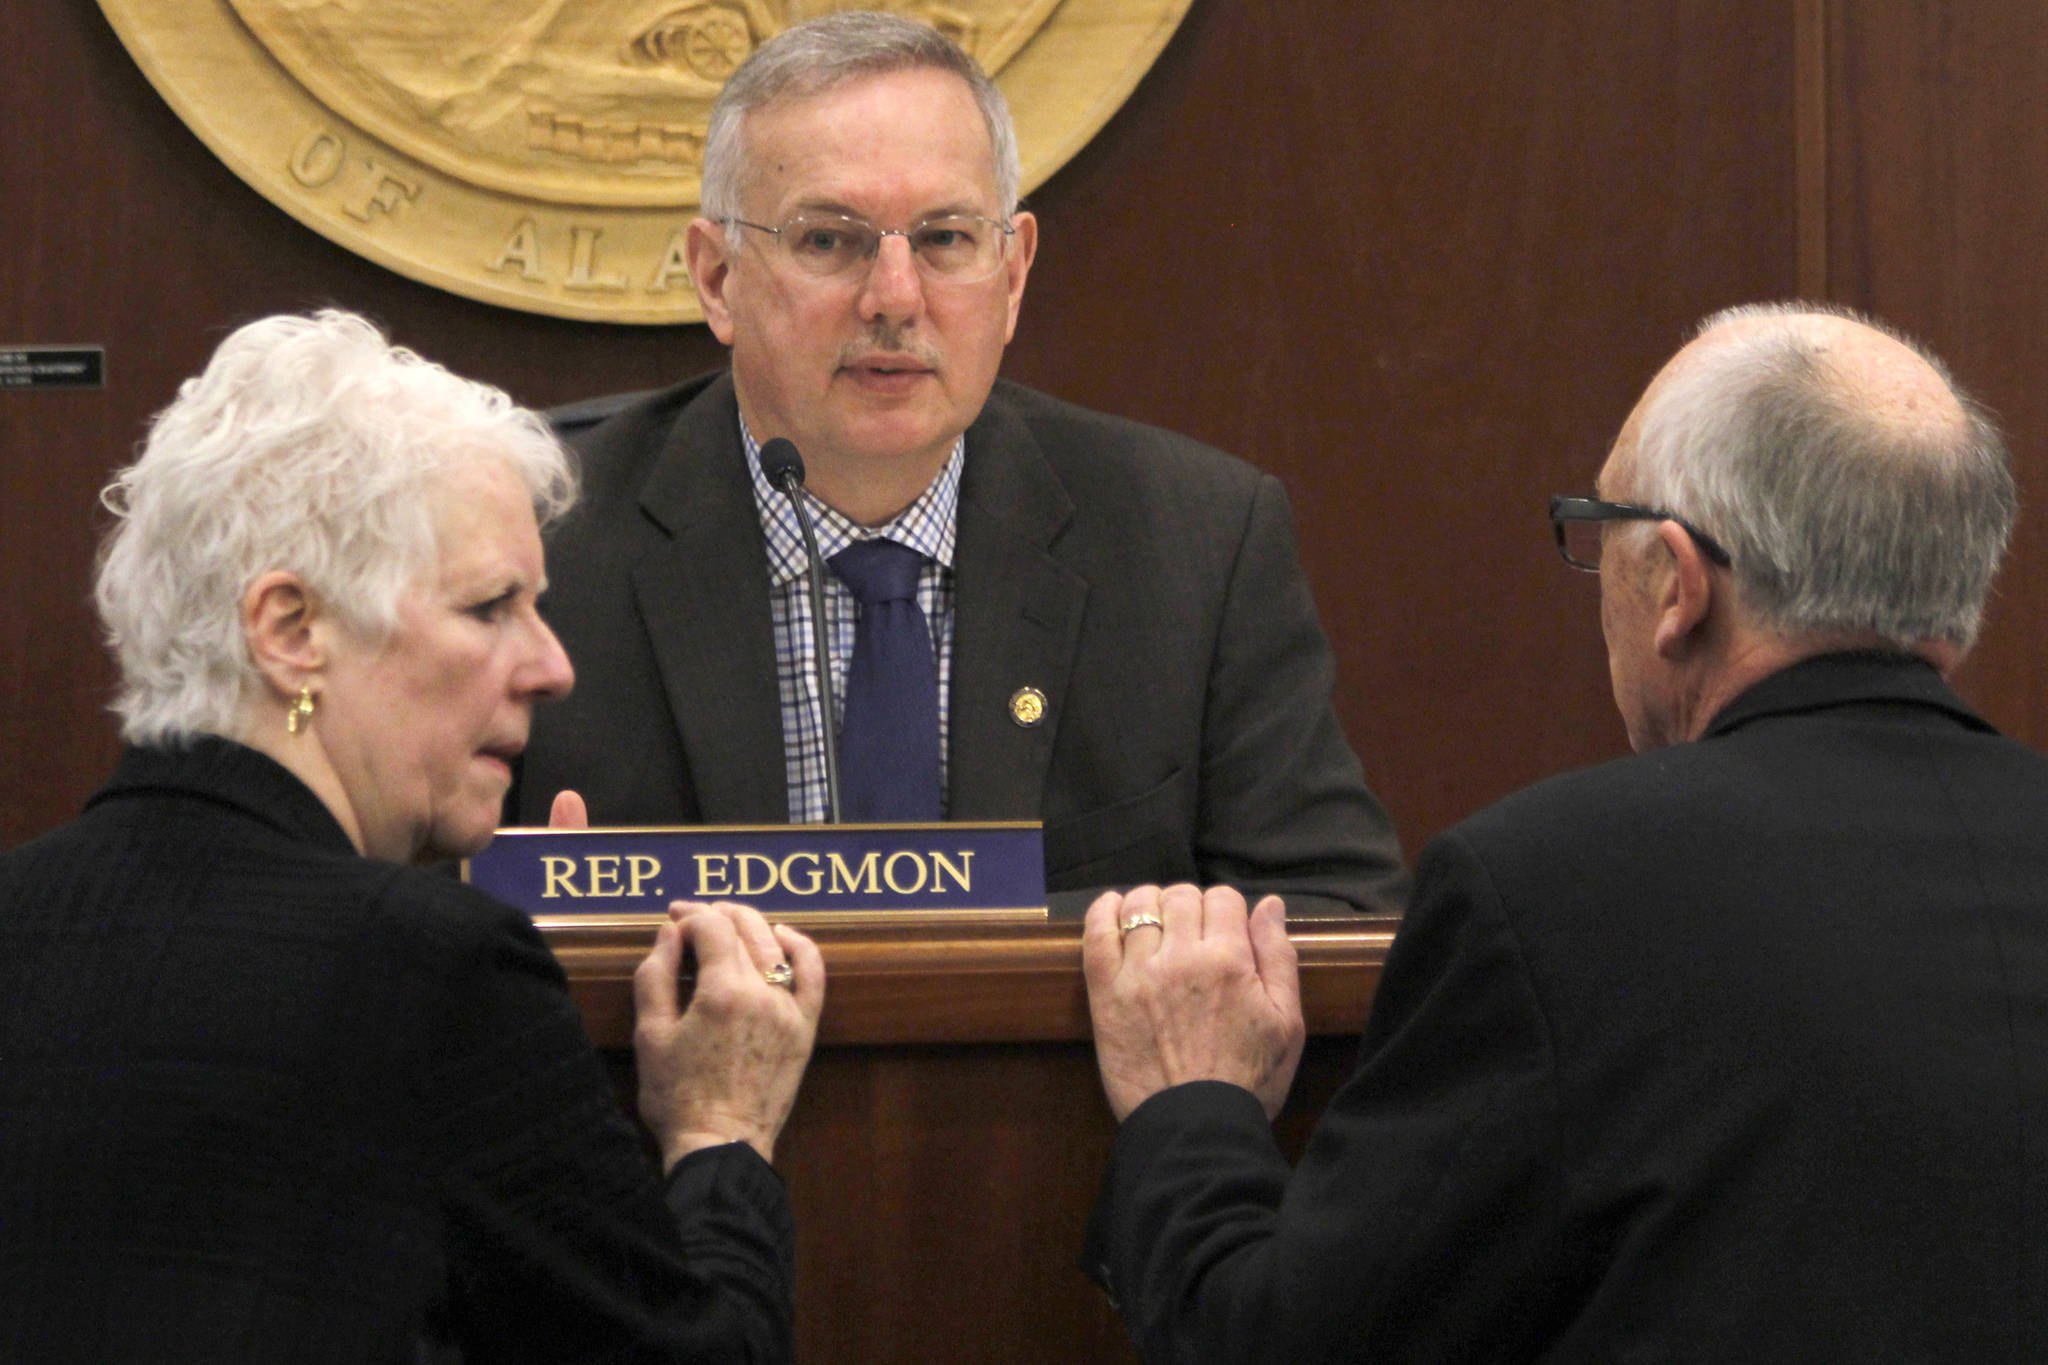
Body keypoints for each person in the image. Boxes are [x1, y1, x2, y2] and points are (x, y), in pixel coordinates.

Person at [1079, 303, 2046, 1361]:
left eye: (1602, 534)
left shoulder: (1556, 894)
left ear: (1675, 586)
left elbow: (1282, 1346)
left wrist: (1192, 1111)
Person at [0, 310, 825, 1363]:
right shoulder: (431, 970)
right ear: (292, 630)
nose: (551, 665)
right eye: (490, 608)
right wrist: (721, 1134)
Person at [509, 11, 1408, 916]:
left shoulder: (1196, 544)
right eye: (829, 240)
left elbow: (1342, 908)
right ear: (717, 277)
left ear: (1011, 276)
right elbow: (401, 913)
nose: (894, 300)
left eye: (944, 240)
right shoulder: (536, 543)